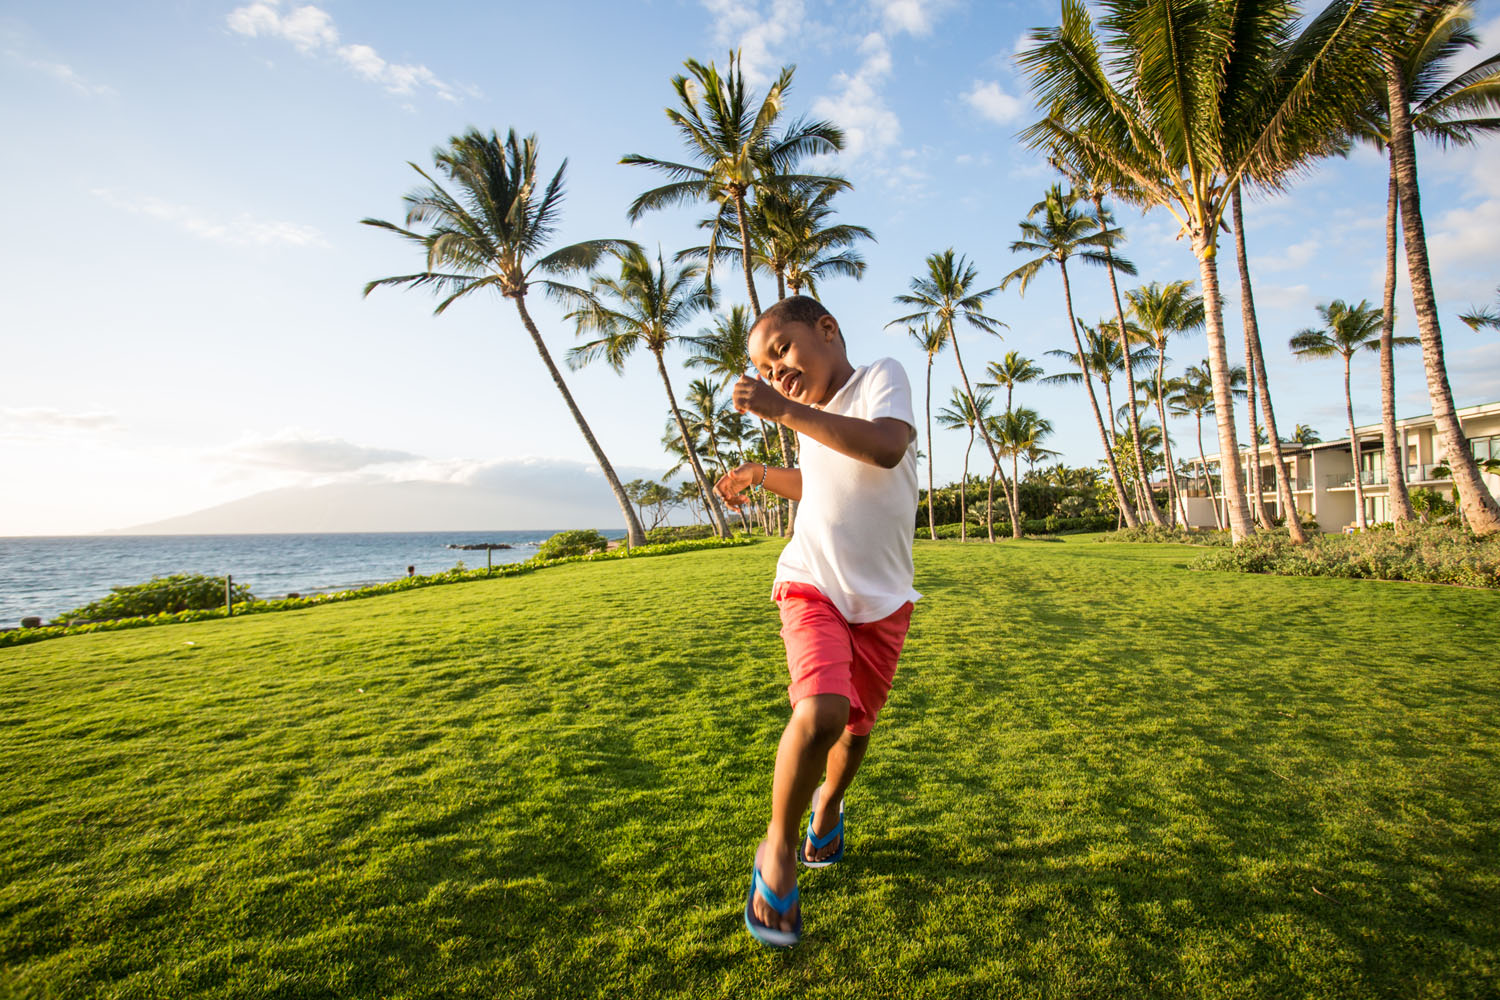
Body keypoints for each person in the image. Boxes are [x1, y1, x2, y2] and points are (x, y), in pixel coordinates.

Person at [715, 295, 920, 948]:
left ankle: (826, 807)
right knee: (823, 711)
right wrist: (762, 472)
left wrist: (784, 411)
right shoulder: (807, 416)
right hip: (813, 582)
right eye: (765, 369)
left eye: (782, 351)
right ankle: (775, 849)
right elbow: (821, 482)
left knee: (855, 736)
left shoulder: (879, 378)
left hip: (883, 600)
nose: (776, 371)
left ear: (827, 330)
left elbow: (884, 450)